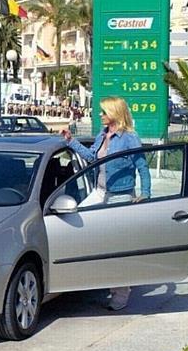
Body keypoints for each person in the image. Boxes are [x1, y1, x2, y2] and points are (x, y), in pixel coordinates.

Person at [62, 96, 151, 311]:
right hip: (100, 192)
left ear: (114, 113)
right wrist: (71, 141)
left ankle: (120, 293)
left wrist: (145, 193)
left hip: (120, 195)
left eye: (103, 112)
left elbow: (142, 167)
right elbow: (92, 157)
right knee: (75, 220)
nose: (100, 115)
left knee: (116, 245)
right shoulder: (103, 135)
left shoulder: (129, 138)